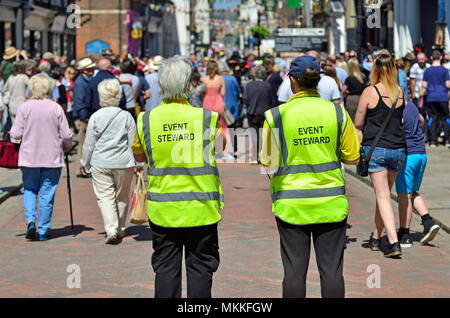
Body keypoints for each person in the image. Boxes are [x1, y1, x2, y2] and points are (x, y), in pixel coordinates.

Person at [260, 55, 360, 298]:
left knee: (294, 272)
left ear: (291, 80)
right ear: (319, 79)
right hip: (330, 203)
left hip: (291, 205)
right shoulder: (337, 113)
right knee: (332, 272)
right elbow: (353, 157)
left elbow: (268, 164)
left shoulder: (275, 116)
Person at [132, 56, 224, 298]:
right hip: (201, 207)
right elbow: (218, 149)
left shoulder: (146, 120)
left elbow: (140, 156)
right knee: (201, 269)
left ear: (161, 85)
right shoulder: (207, 118)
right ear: (189, 86)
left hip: (163, 209)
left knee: (165, 269)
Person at [354, 52, 407, 258]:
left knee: (383, 196)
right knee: (382, 196)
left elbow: (358, 123)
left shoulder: (370, 91)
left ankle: (393, 243)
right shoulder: (400, 92)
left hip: (377, 151)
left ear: (375, 70)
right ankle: (376, 237)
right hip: (398, 150)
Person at [9, 74, 73, 241]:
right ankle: (43, 229)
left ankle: (31, 220)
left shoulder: (25, 107)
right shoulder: (55, 107)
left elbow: (15, 133)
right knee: (47, 194)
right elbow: (66, 134)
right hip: (51, 157)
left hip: (29, 157)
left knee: (29, 189)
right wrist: (67, 147)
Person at [80, 79, 137, 244]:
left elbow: (89, 144)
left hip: (101, 161)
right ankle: (120, 228)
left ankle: (111, 229)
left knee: (105, 197)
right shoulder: (126, 116)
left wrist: (86, 162)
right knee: (122, 196)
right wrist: (139, 164)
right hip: (123, 161)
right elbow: (133, 142)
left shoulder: (96, 116)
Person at [395, 101, 440, 248]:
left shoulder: (396, 108)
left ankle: (404, 235)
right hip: (421, 153)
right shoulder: (411, 106)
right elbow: (421, 120)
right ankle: (428, 222)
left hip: (408, 155)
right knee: (412, 191)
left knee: (404, 195)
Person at [202, 59, 232, 159]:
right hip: (218, 103)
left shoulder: (204, 79)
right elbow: (223, 93)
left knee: (207, 127)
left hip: (206, 103)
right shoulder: (220, 79)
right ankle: (225, 151)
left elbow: (201, 92)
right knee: (222, 127)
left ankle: (208, 150)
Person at [243, 65, 272, 163]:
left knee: (254, 135)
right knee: (263, 136)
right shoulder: (267, 86)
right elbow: (271, 100)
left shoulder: (249, 85)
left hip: (252, 112)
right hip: (264, 113)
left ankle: (254, 157)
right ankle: (262, 156)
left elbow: (245, 99)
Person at [73, 57, 96, 178]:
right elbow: (80, 102)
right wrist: (84, 118)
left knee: (86, 145)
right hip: (83, 118)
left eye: (92, 68)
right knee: (83, 145)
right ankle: (81, 169)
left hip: (85, 116)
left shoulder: (85, 81)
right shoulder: (80, 83)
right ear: (83, 70)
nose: (91, 71)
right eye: (88, 69)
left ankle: (84, 168)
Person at [421, 50, 450, 147]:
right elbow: (448, 84)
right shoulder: (445, 70)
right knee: (445, 118)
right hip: (443, 97)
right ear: (441, 58)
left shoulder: (427, 71)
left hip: (431, 97)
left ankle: (433, 141)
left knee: (433, 118)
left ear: (431, 58)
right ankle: (447, 140)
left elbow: (424, 85)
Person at [1, 60, 29, 125]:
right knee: (22, 126)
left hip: (12, 104)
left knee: (14, 126)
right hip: (22, 104)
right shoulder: (24, 77)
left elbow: (3, 90)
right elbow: (32, 86)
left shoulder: (10, 77)